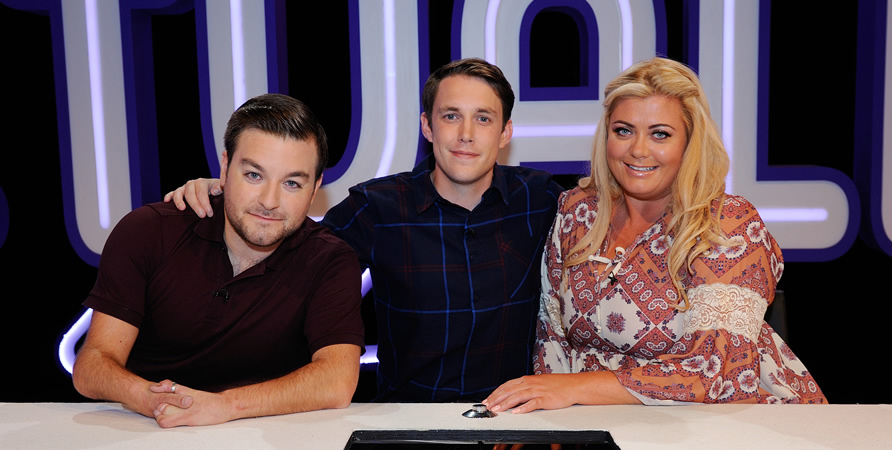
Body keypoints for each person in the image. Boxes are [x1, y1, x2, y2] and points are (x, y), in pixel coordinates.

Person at [166, 58, 564, 402]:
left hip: (513, 424)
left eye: (483, 118)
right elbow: (283, 250)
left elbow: (614, 214)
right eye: (450, 115)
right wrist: (223, 194)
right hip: (406, 425)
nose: (466, 134)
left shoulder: (542, 198)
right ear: (427, 126)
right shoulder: (379, 206)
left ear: (505, 132)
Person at [482, 57, 827, 413]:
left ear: (689, 142)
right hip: (603, 426)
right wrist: (548, 415)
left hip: (740, 424)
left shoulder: (727, 224)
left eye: (660, 133)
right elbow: (552, 334)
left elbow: (713, 372)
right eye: (623, 130)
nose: (639, 150)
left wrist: (572, 388)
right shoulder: (577, 212)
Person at [73, 93, 365, 428]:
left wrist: (224, 406)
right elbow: (92, 365)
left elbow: (338, 381)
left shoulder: (330, 260)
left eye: (292, 183)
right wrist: (150, 398)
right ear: (225, 169)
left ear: (315, 190)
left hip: (267, 436)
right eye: (254, 175)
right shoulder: (148, 232)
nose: (269, 201)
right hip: (148, 430)